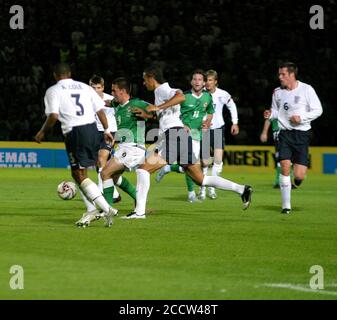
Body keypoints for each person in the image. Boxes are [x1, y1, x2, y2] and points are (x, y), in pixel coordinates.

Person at [125, 66, 252, 219]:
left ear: (152, 77)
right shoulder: (160, 93)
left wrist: (158, 107)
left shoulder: (162, 90)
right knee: (201, 180)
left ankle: (139, 212)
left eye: (145, 79)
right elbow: (167, 114)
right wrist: (148, 114)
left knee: (143, 170)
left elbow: (180, 96)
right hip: (181, 136)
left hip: (175, 135)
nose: (144, 83)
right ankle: (242, 189)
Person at [34, 63, 118, 227]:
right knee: (80, 173)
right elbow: (100, 110)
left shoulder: (54, 90)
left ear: (55, 75)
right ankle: (98, 209)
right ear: (70, 73)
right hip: (93, 130)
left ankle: (105, 209)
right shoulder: (85, 87)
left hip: (76, 132)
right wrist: (106, 129)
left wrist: (42, 132)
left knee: (79, 175)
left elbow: (53, 115)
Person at [264, 62, 323, 214]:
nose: (280, 77)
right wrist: (271, 115)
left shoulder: (306, 89)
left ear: (292, 75)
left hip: (302, 134)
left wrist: (302, 118)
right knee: (284, 165)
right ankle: (286, 206)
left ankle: (297, 180)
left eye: (283, 74)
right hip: (284, 133)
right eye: (279, 74)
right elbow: (276, 111)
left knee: (298, 175)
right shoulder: (277, 92)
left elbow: (318, 110)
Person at [155, 69, 215, 203]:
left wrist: (207, 122)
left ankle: (168, 168)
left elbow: (210, 111)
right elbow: (173, 112)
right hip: (184, 133)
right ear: (191, 82)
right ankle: (191, 194)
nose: (197, 82)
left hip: (198, 134)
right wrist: (182, 124)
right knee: (192, 165)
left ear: (204, 82)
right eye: (194, 79)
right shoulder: (185, 96)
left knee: (190, 166)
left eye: (200, 79)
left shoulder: (207, 97)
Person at [100, 77, 152, 211]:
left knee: (105, 173)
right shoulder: (117, 105)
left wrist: (146, 115)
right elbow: (107, 102)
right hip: (123, 146)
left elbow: (155, 111)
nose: (112, 93)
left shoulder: (137, 103)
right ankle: (138, 199)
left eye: (114, 90)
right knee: (115, 177)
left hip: (133, 147)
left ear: (123, 91)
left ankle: (108, 209)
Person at [76, 75, 122, 218]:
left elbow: (120, 114)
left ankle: (102, 193)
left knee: (102, 159)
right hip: (94, 132)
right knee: (99, 164)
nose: (95, 90)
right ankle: (113, 191)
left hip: (110, 132)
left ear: (103, 87)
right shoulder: (85, 100)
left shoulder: (110, 100)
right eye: (93, 87)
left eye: (98, 87)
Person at [199, 70, 239, 200]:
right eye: (206, 80)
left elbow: (232, 106)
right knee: (205, 162)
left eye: (210, 80)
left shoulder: (223, 94)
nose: (208, 83)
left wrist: (235, 123)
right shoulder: (199, 94)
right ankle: (203, 189)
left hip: (217, 129)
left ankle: (212, 188)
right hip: (204, 130)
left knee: (217, 160)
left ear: (215, 81)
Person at [260, 118, 281, 188]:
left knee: (289, 158)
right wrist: (264, 132)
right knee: (281, 157)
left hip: (292, 133)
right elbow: (269, 118)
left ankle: (284, 180)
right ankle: (279, 181)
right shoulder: (276, 107)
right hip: (278, 133)